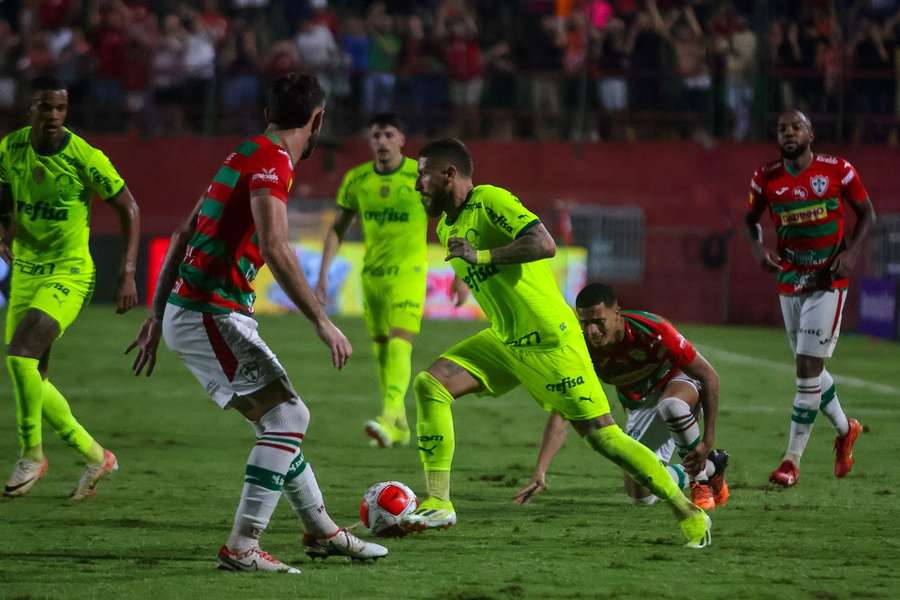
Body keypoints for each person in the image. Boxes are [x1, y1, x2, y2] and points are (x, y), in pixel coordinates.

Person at [126, 74, 387, 573]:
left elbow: (183, 233)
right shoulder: (271, 163)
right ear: (318, 120)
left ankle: (322, 531)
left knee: (279, 424)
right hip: (210, 311)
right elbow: (275, 246)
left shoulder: (243, 153)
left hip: (200, 310)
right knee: (289, 419)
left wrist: (157, 315)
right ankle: (242, 546)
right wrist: (322, 321)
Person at [401, 138, 711, 548]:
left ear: (448, 174)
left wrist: (483, 257)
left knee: (604, 438)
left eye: (422, 174)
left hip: (550, 341)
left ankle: (689, 514)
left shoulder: (488, 199)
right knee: (431, 385)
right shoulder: (446, 226)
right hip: (506, 340)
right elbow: (477, 263)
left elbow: (544, 244)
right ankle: (439, 500)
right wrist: (467, 273)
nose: (418, 184)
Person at [0, 75, 140, 500]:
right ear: (32, 110)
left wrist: (128, 271)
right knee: (30, 373)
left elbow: (129, 208)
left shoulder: (84, 156)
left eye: (61, 108)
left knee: (20, 358)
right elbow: (4, 195)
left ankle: (32, 454)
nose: (54, 116)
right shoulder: (10, 148)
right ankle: (96, 455)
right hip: (26, 271)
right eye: (46, 107)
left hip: (69, 272)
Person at [744, 109, 876, 487]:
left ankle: (791, 462)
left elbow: (867, 213)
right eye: (782, 128)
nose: (788, 132)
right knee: (811, 370)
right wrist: (758, 250)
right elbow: (749, 218)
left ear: (810, 134)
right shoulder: (766, 177)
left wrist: (851, 254)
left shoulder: (838, 170)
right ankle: (846, 428)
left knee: (805, 371)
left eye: (795, 127)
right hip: (790, 279)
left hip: (827, 280)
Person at [512, 283, 729, 510]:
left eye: (598, 321)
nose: (591, 331)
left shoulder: (652, 329)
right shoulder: (581, 349)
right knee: (641, 494)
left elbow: (708, 376)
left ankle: (700, 480)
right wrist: (540, 471)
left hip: (680, 385)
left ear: (617, 314)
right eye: (584, 323)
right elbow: (565, 412)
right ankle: (713, 465)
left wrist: (708, 438)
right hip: (641, 405)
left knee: (671, 406)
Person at [316, 113, 453, 448]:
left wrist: (460, 273)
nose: (381, 142)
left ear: (402, 139)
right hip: (372, 276)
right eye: (375, 136)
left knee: (399, 340)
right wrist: (322, 276)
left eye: (388, 135)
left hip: (408, 274)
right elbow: (338, 228)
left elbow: (450, 219)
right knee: (381, 352)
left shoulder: (419, 178)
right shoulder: (357, 180)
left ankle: (389, 416)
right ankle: (400, 425)